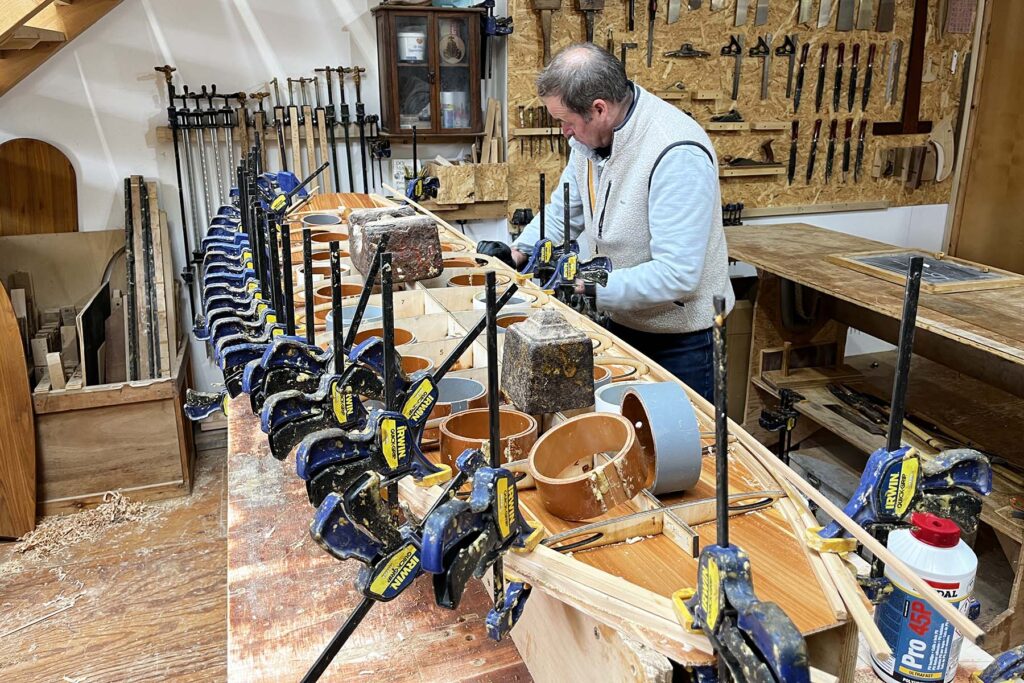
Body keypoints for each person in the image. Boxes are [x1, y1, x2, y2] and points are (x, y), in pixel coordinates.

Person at [507, 42, 735, 401]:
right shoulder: (591, 141)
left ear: (599, 109)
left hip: (681, 340)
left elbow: (677, 275)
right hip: (624, 320)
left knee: (678, 435)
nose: (564, 131)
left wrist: (585, 283)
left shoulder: (676, 153)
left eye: (566, 122)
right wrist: (518, 252)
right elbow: (565, 210)